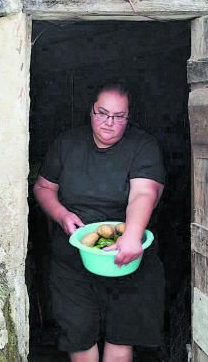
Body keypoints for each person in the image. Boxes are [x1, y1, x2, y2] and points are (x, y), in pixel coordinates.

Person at [33, 84, 166, 362]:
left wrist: (131, 235)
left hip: (128, 257)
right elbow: (43, 187)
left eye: (119, 116)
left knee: (122, 333)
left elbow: (144, 192)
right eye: (102, 113)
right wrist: (61, 215)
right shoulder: (67, 144)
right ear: (90, 110)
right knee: (78, 334)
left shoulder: (143, 146)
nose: (110, 122)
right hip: (73, 259)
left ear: (129, 117)